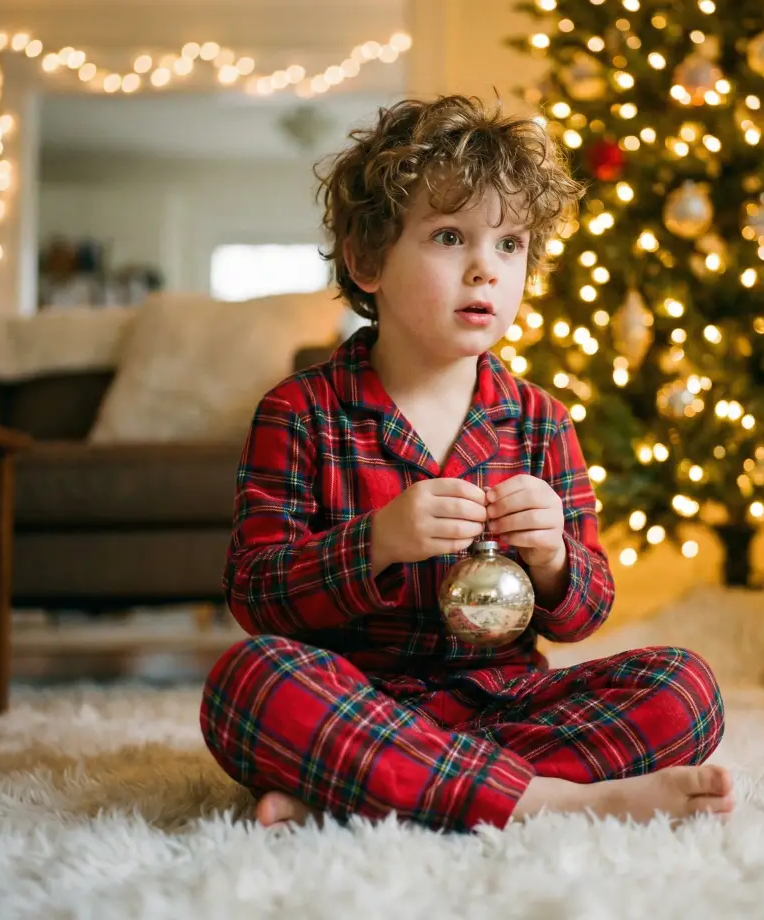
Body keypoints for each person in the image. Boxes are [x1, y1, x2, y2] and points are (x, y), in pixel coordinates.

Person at [199, 95, 732, 833]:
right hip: (356, 695)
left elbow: (589, 610)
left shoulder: (541, 420)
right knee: (250, 684)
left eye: (510, 244)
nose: (486, 269)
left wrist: (551, 558)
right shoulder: (301, 412)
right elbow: (256, 595)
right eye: (450, 237)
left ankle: (365, 788)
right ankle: (555, 803)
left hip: (505, 701)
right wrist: (375, 543)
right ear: (366, 260)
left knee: (685, 689)